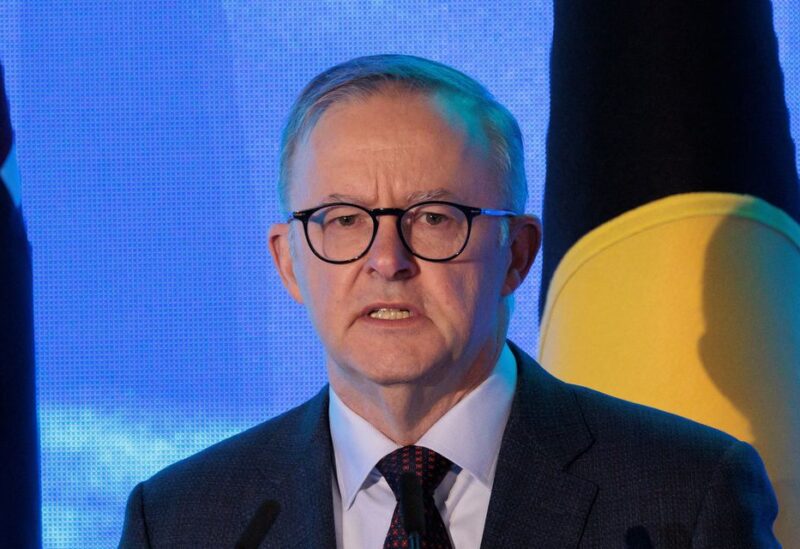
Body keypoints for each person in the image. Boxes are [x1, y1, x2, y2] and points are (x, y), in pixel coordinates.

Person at [119, 54, 779, 548]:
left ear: (516, 254)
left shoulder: (685, 496)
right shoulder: (181, 518)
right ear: (289, 262)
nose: (388, 260)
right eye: (343, 219)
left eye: (434, 217)